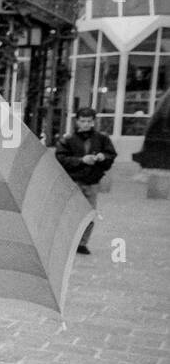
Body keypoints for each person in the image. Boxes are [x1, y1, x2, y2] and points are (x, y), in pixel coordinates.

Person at [55, 107, 117, 255]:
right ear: (77, 122)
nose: (86, 124)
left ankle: (82, 242)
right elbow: (61, 159)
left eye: (89, 121)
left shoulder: (102, 139)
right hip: (74, 181)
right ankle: (68, 242)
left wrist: (103, 157)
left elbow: (111, 155)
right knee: (70, 213)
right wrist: (81, 160)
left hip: (92, 181)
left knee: (89, 214)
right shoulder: (68, 139)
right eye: (83, 121)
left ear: (93, 122)